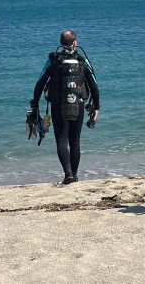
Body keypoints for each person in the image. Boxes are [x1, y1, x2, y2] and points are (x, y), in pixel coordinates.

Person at [31, 30, 100, 185]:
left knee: (62, 140)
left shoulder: (53, 60)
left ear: (61, 44)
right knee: (75, 141)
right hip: (78, 104)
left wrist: (34, 104)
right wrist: (96, 107)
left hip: (58, 105)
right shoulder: (82, 61)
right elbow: (94, 86)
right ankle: (74, 175)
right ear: (75, 43)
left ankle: (68, 174)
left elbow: (40, 82)